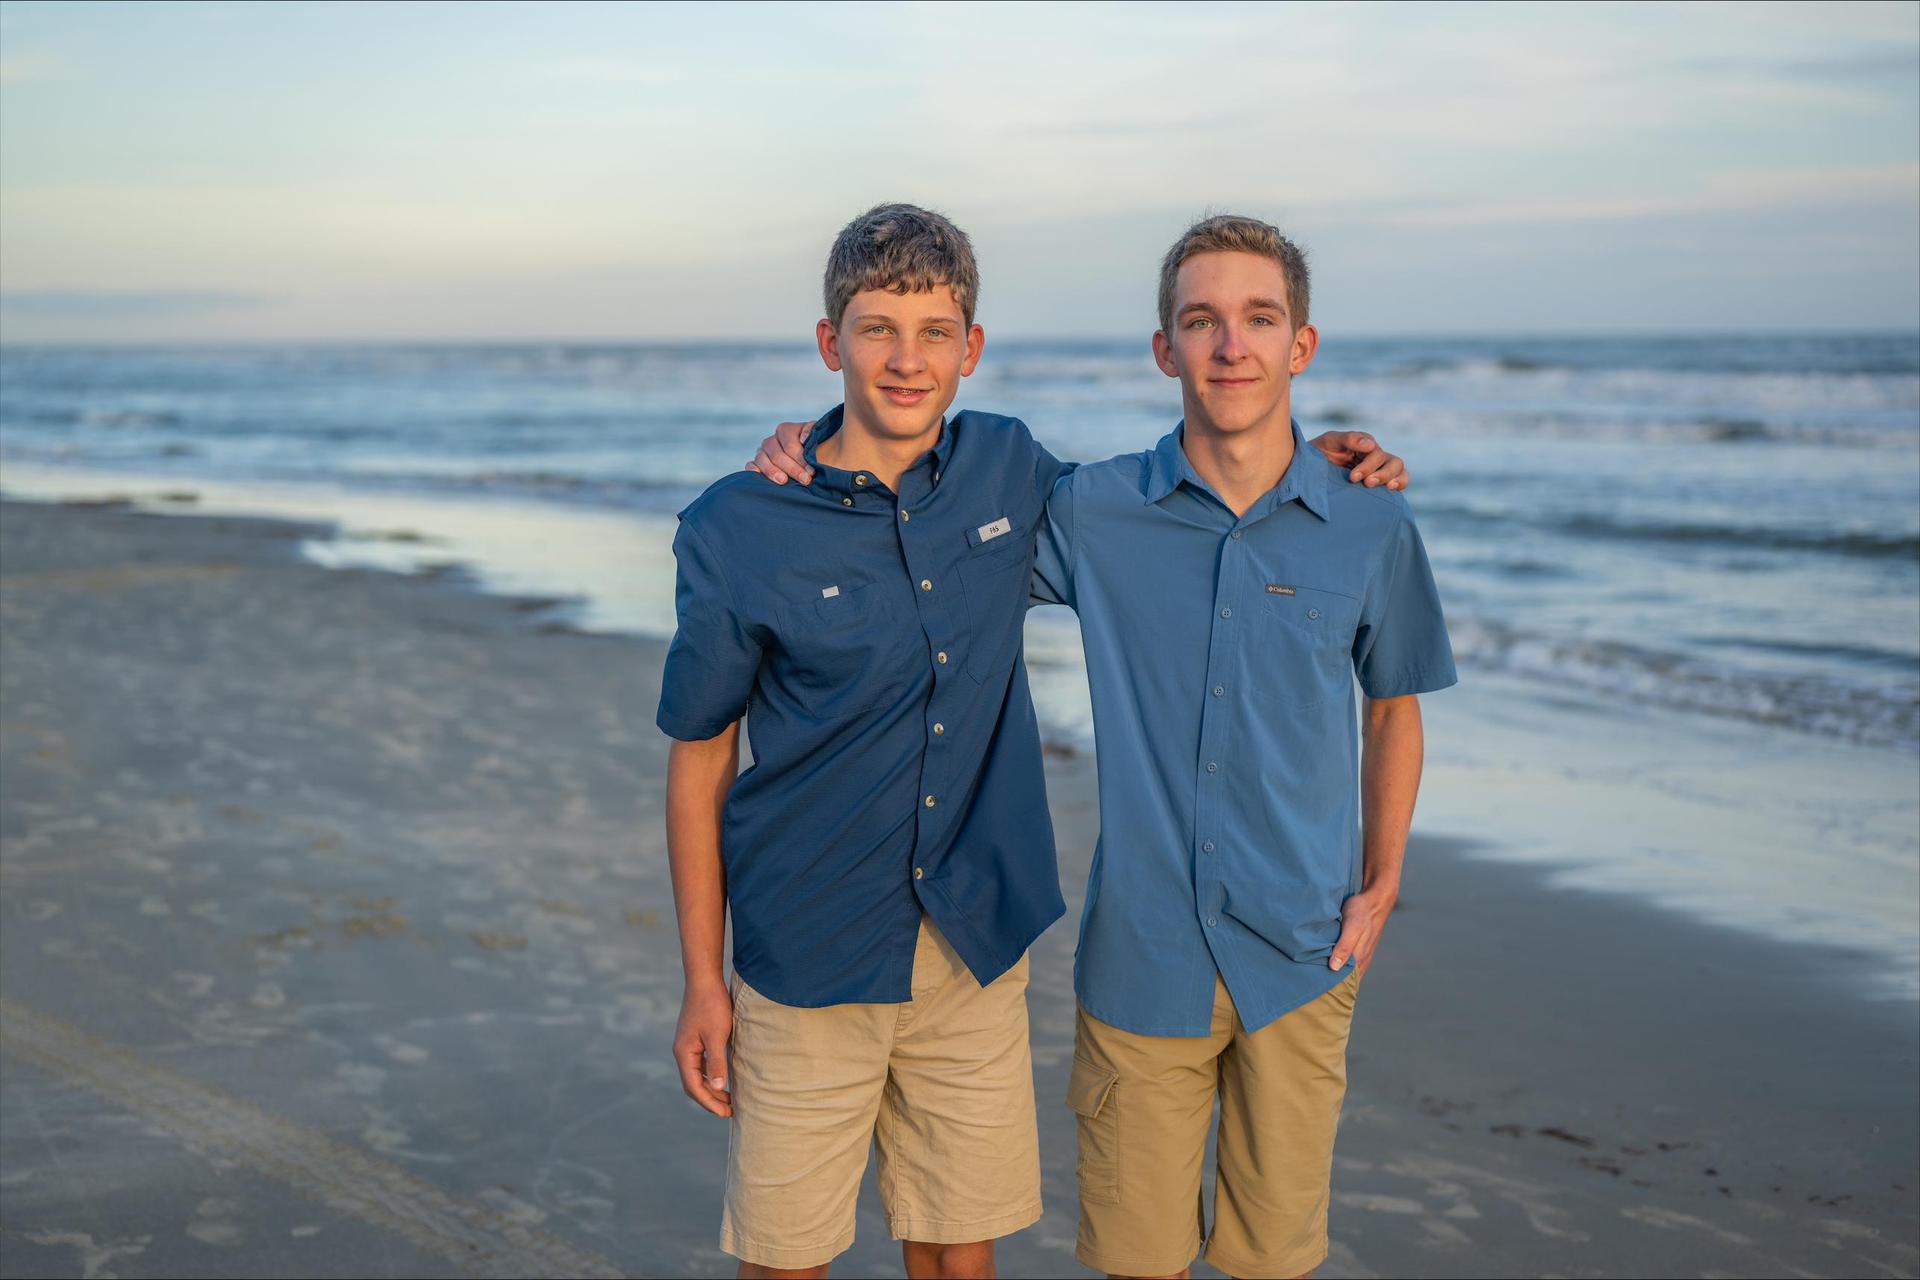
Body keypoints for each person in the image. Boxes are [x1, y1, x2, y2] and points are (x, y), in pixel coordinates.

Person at [666, 203, 1406, 1280]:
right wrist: (701, 977)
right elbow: (698, 757)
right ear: (831, 344)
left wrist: (1318, 459)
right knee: (787, 1259)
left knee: (962, 1254)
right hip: (803, 946)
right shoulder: (739, 523)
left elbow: (1170, 506)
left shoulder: (1008, 469)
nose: (905, 359)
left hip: (972, 941)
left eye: (932, 332)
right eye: (875, 329)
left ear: (972, 347)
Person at [1027, 214, 1457, 1280]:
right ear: (1164, 347)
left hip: (1305, 953)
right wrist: (819, 442)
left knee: (1274, 1262)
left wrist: (1384, 880)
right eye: (1202, 321)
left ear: (1300, 345)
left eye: (1259, 319)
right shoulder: (1093, 509)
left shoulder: (1370, 519)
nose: (1232, 346)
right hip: (1142, 958)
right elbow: (942, 512)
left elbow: (1394, 702)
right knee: (1138, 1261)